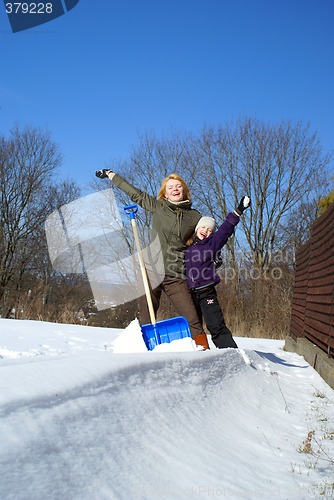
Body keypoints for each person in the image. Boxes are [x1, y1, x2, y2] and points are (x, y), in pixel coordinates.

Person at [96, 169, 210, 350]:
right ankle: (143, 350)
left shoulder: (195, 216)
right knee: (146, 316)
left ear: (184, 190)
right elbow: (135, 193)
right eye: (170, 187)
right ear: (164, 193)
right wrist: (112, 176)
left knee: (192, 318)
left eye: (178, 186)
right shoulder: (158, 207)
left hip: (176, 274)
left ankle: (204, 351)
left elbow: (205, 240)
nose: (175, 189)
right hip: (151, 271)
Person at [185, 196, 251, 349]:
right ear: (196, 229)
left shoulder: (211, 244)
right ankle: (199, 351)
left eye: (209, 230)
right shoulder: (188, 248)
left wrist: (238, 211)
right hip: (190, 294)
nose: (206, 231)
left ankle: (231, 353)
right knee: (193, 326)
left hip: (206, 292)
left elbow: (225, 230)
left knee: (215, 325)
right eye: (203, 228)